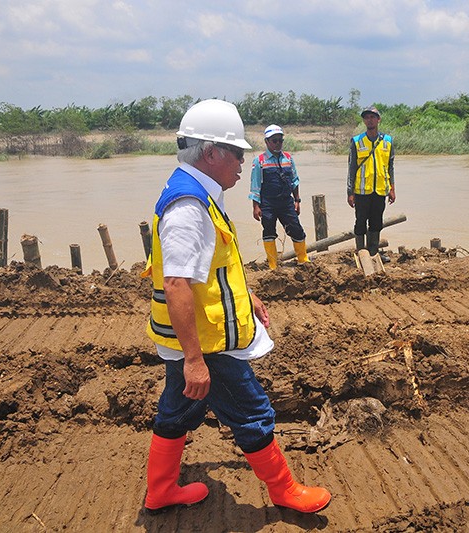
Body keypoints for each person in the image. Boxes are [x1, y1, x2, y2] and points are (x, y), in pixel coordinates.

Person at [141, 99, 331, 515]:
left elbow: (213, 267)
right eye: (237, 153)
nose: (243, 163)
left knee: (177, 409)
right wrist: (194, 360)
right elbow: (176, 284)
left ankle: (161, 489)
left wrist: (249, 296)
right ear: (211, 153)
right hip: (206, 342)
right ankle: (284, 490)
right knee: (252, 411)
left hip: (196, 337)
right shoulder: (189, 206)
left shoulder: (199, 192)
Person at [249, 124, 309, 270]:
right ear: (267, 142)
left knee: (296, 229)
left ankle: (303, 259)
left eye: (280, 140)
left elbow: (295, 180)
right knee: (269, 232)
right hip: (268, 203)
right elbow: (255, 185)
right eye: (274, 140)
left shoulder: (288, 158)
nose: (277, 143)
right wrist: (256, 206)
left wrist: (297, 200)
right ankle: (273, 265)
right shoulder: (260, 161)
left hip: (286, 202)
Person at [347, 105, 396, 258]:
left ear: (378, 119)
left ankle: (373, 253)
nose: (369, 120)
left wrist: (392, 189)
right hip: (362, 191)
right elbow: (351, 168)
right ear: (364, 121)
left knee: (376, 223)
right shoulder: (357, 141)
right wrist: (350, 193)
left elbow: (390, 167)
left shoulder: (387, 141)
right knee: (360, 222)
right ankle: (361, 253)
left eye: (372, 117)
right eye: (367, 117)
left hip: (380, 190)